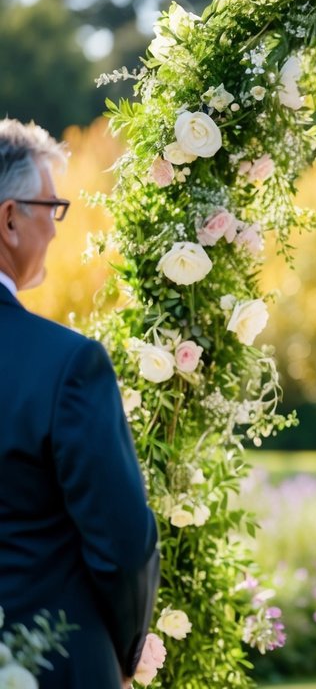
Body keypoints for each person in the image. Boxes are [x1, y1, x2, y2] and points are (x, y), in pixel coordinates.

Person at [0, 119, 159, 689]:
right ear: (10, 218)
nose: (57, 228)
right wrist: (122, 649)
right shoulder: (67, 365)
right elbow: (122, 544)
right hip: (48, 665)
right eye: (52, 206)